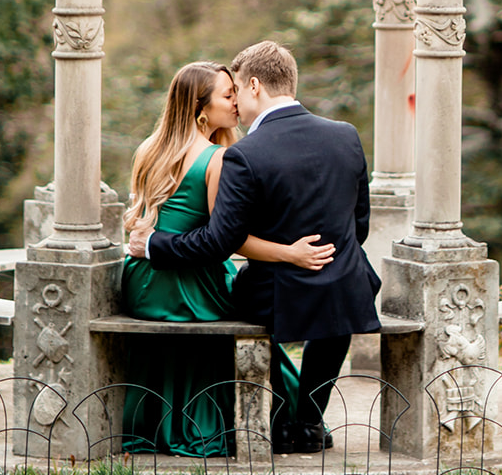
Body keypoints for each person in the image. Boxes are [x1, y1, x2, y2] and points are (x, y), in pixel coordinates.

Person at [129, 41, 381, 453]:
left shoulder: (244, 154)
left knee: (245, 296)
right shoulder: (345, 135)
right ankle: (308, 420)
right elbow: (360, 223)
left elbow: (219, 241)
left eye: (236, 94)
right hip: (343, 279)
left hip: (276, 290)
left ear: (254, 85)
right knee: (337, 304)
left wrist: (156, 245)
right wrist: (324, 260)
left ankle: (285, 419)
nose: (236, 106)